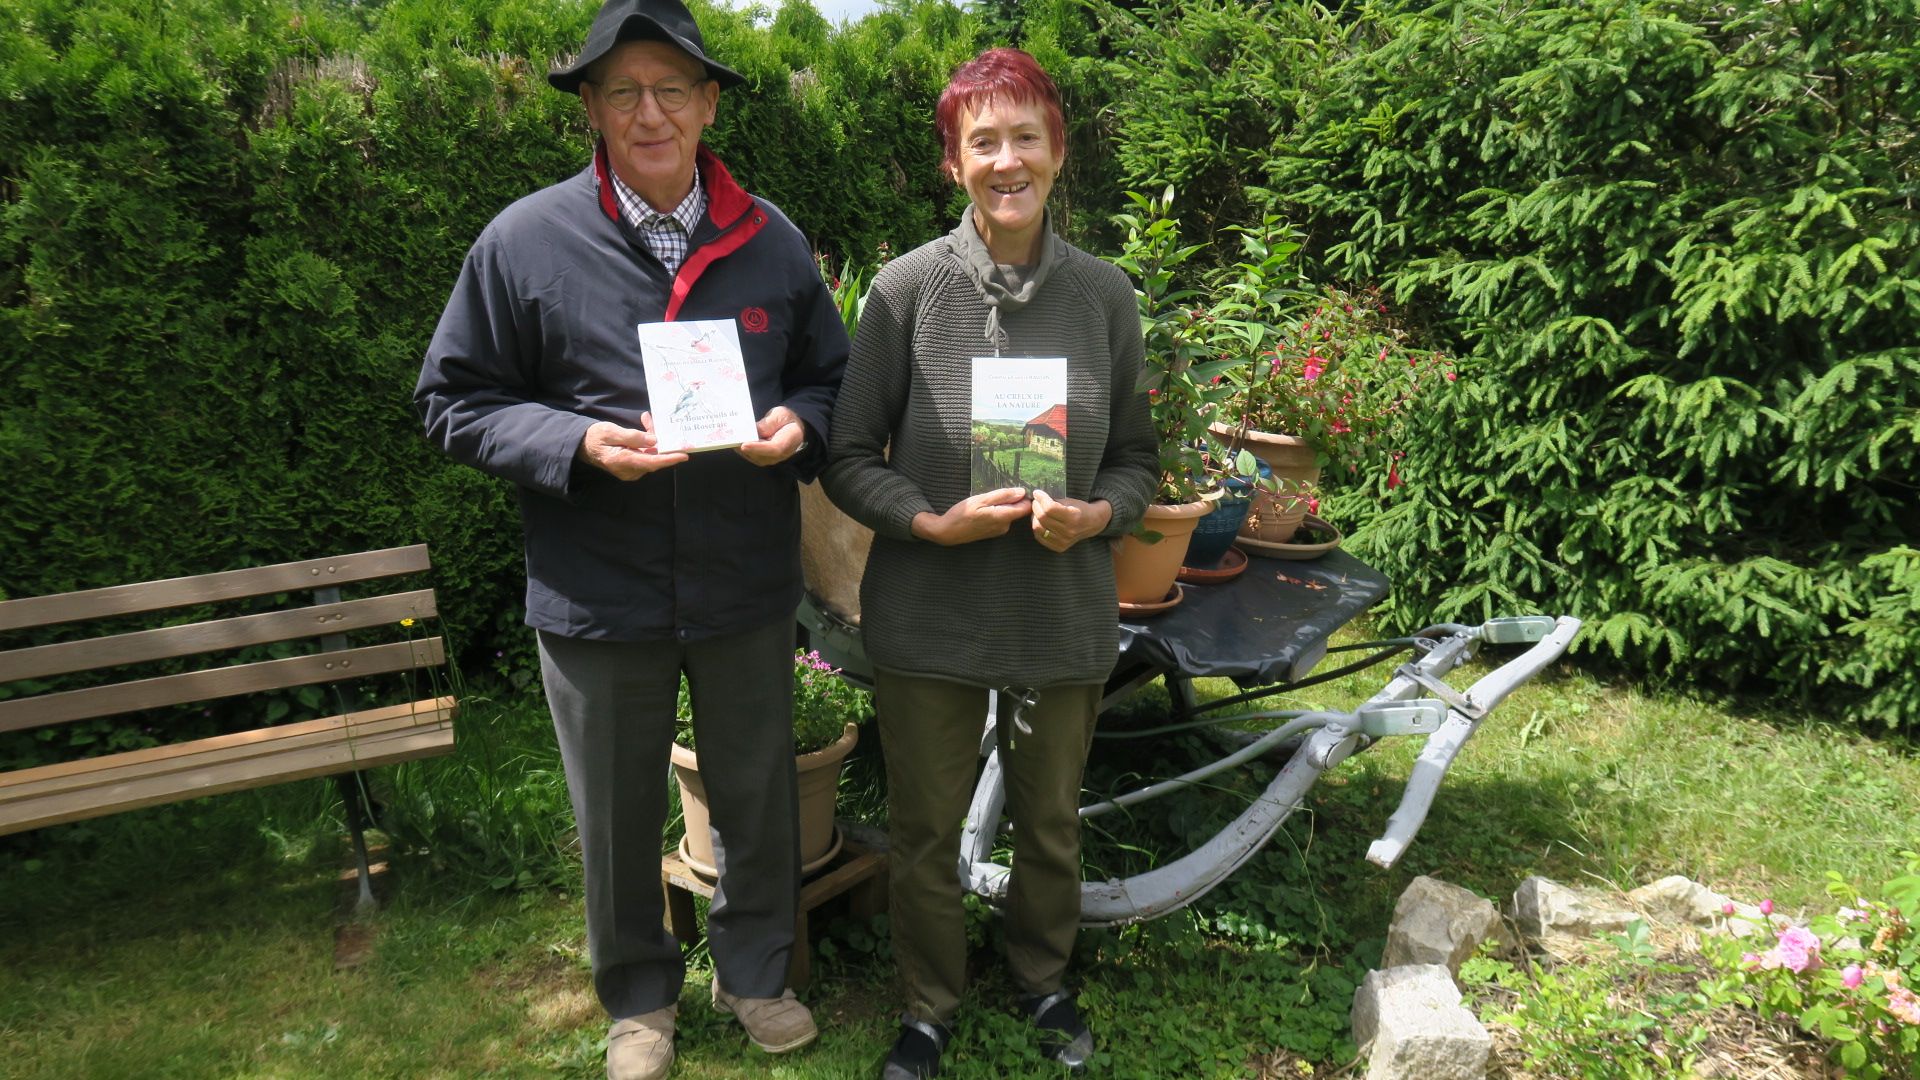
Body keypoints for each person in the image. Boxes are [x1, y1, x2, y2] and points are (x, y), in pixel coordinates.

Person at [413, 1, 846, 1077]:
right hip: (595, 586)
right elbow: (453, 401)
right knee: (614, 811)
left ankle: (755, 974)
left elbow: (828, 376)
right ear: (593, 113)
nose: (648, 113)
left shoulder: (773, 239)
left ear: (706, 105)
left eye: (670, 90)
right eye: (622, 92)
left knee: (752, 792)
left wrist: (802, 425)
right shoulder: (523, 242)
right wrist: (575, 442)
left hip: (746, 579)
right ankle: (640, 1000)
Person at [821, 47, 1157, 1080]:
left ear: (1057, 151)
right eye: (983, 141)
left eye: (1025, 136)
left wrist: (1099, 512)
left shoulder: (1105, 297)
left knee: (1050, 822)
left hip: (1058, 608)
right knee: (923, 830)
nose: (1006, 160)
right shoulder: (904, 291)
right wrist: (927, 524)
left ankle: (1044, 983)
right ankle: (929, 1006)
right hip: (931, 608)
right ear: (952, 164)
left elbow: (1141, 461)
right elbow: (844, 456)